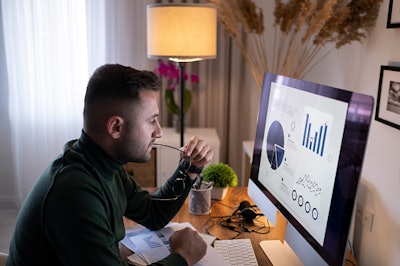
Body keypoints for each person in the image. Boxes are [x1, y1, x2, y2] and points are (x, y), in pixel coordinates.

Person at [7, 64, 213, 266]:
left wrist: (190, 168)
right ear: (116, 127)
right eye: (152, 121)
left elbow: (152, 214)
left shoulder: (101, 163)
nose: (158, 132)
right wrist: (182, 256)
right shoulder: (74, 192)